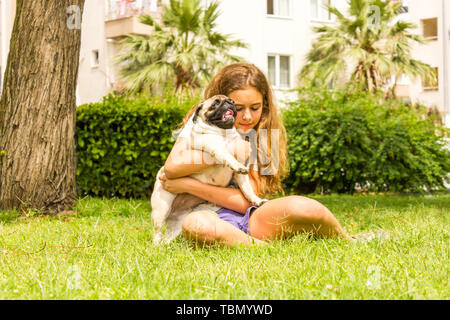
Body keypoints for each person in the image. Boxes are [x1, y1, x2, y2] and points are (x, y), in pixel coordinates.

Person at [159, 63, 382, 247]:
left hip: (251, 217)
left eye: (255, 108)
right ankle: (258, 248)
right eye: (238, 108)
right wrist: (228, 153)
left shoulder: (266, 136)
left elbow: (246, 203)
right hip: (203, 215)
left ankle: (349, 241)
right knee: (198, 226)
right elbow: (171, 169)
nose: (246, 116)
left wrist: (187, 185)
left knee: (305, 208)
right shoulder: (200, 122)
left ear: (264, 105)